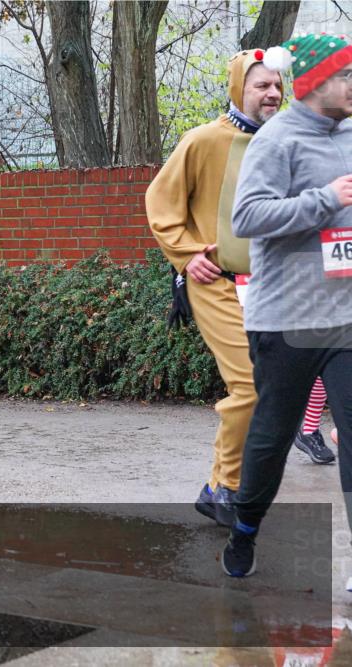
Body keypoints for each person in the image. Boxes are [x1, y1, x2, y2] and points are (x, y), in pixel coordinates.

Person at [221, 33, 352, 578]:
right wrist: (326, 201)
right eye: (346, 76)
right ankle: (246, 528)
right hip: (287, 321)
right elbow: (246, 219)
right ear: (317, 81)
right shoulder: (277, 140)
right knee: (272, 438)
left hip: (345, 319)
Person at [146, 50, 283, 526]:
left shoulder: (284, 141)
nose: (272, 93)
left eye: (277, 85)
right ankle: (225, 487)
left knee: (268, 386)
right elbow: (160, 202)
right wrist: (186, 255)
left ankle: (224, 484)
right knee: (249, 383)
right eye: (261, 85)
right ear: (237, 88)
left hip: (271, 287)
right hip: (216, 282)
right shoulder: (203, 140)